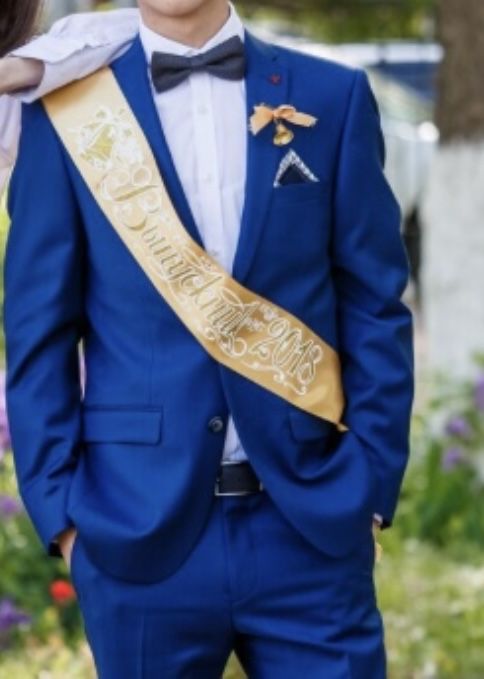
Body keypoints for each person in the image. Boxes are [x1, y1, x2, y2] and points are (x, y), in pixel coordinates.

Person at [3, 0, 414, 677]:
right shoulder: (67, 115)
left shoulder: (332, 96)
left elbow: (375, 306)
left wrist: (368, 490)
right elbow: (37, 331)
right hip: (136, 534)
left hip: (309, 527)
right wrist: (65, 519)